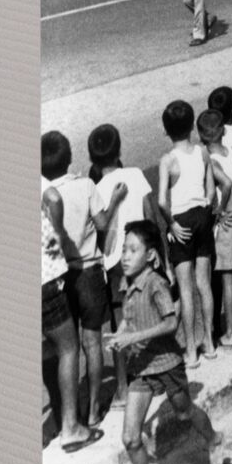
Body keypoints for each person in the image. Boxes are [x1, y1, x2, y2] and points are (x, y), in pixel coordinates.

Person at [104, 221, 229, 464]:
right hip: (141, 369)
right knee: (130, 437)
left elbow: (171, 323)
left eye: (132, 250)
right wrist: (121, 334)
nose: (125, 256)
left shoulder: (156, 284)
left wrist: (134, 337)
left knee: (184, 412)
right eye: (124, 250)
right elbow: (130, 314)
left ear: (150, 256)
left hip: (167, 365)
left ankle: (214, 439)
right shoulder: (128, 283)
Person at [40, 132, 101, 450]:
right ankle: (73, 426)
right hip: (52, 280)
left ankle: (59, 417)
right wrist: (62, 237)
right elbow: (53, 199)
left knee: (48, 349)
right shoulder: (49, 192)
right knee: (70, 347)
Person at [155, 99, 218, 364]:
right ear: (192, 126)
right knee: (204, 283)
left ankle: (191, 349)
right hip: (202, 216)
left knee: (186, 288)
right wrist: (207, 212)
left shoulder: (168, 160)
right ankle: (210, 343)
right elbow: (211, 190)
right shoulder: (202, 153)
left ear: (166, 131)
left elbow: (161, 201)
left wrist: (171, 224)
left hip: (181, 219)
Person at [87, 122, 154, 323]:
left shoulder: (95, 189)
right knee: (149, 312)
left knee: (121, 319)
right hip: (141, 251)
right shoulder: (135, 174)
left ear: (93, 161)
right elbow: (151, 216)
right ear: (119, 152)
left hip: (115, 261)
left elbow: (98, 237)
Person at [204, 104, 232, 350]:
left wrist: (219, 210)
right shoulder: (231, 150)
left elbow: (228, 184)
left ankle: (230, 332)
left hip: (228, 221)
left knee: (227, 279)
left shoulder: (210, 160)